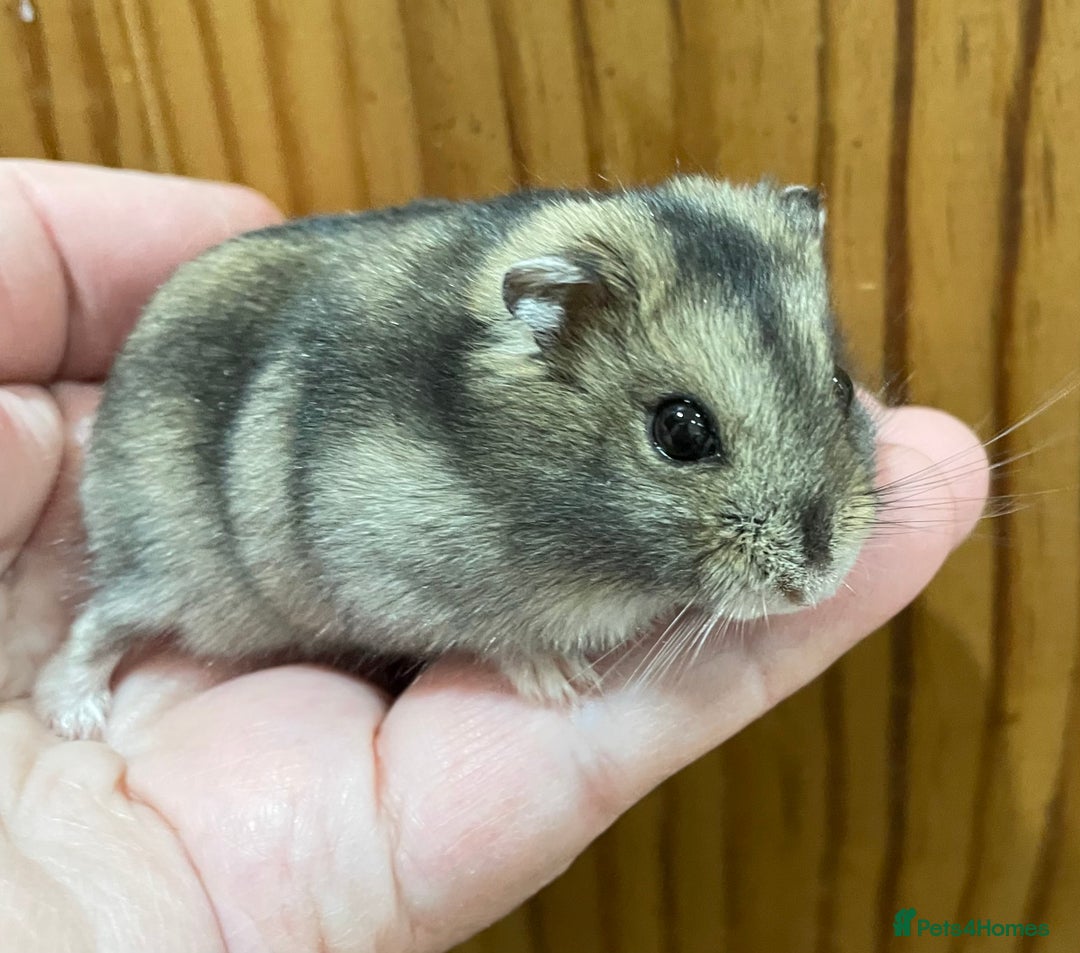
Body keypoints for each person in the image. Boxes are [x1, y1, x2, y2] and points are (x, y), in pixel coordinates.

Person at [0, 160, 988, 952]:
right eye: (684, 432)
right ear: (553, 319)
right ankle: (88, 641)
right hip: (201, 514)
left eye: (826, 392)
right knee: (173, 594)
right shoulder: (438, 451)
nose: (812, 559)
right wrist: (504, 632)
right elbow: (348, 540)